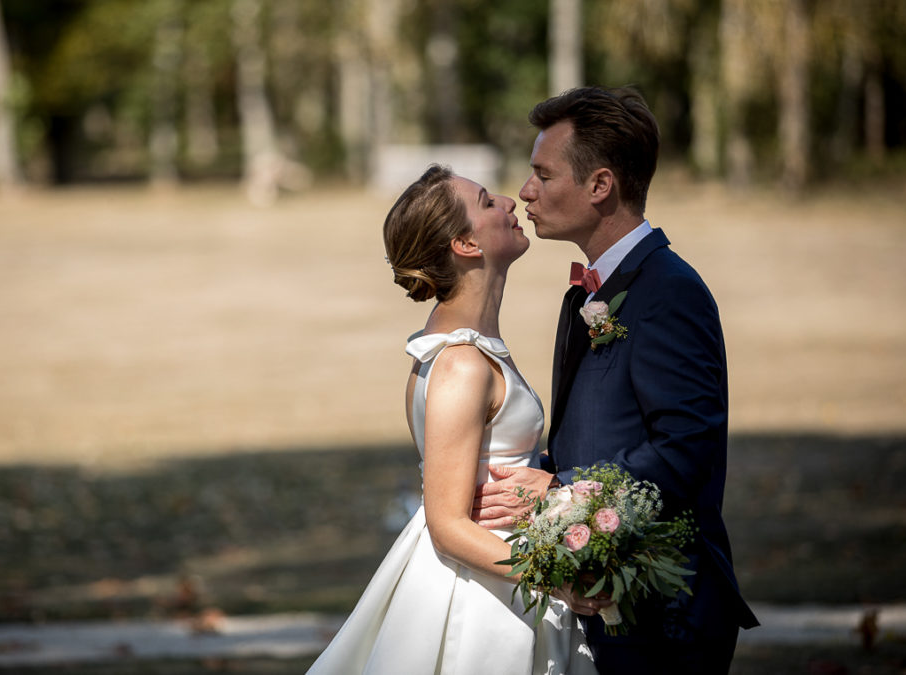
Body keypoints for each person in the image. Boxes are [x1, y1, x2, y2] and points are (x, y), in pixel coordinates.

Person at [474, 86, 759, 674]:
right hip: (607, 596)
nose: (525, 191)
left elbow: (685, 447)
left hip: (664, 609)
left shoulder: (669, 292)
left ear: (600, 185)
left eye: (543, 175)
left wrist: (557, 491)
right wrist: (532, 471)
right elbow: (596, 434)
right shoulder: (584, 295)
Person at [306, 165, 597, 674]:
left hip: (501, 576)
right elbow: (447, 526)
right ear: (465, 244)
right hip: (480, 598)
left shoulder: (465, 348)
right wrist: (557, 580)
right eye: (487, 201)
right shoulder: (461, 365)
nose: (509, 202)